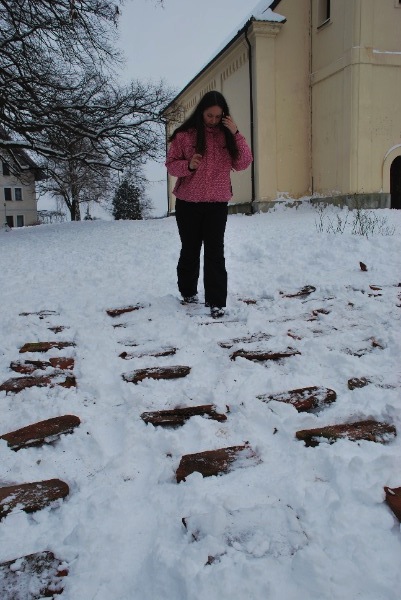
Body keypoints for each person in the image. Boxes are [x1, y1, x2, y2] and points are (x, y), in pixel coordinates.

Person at [165, 90, 253, 318]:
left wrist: (236, 133)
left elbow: (244, 162)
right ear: (201, 112)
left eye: (218, 116)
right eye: (209, 116)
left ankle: (216, 301)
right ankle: (188, 292)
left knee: (215, 252)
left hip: (217, 204)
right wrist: (189, 165)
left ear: (224, 116)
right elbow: (171, 165)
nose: (213, 120)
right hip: (188, 203)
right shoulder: (185, 136)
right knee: (190, 249)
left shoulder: (227, 136)